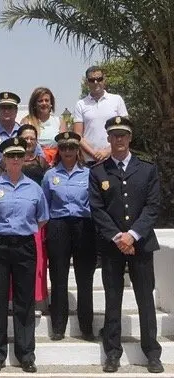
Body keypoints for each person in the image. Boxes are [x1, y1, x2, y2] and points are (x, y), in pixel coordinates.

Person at [88, 116, 163, 373]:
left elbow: (153, 207)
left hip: (141, 245)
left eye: (123, 135)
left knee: (145, 299)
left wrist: (133, 234)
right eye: (114, 135)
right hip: (113, 246)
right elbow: (97, 209)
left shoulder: (147, 168)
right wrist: (119, 237)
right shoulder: (98, 171)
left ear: (130, 138)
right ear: (108, 138)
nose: (118, 139)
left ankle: (152, 352)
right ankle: (112, 352)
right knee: (112, 300)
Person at [0, 137, 49, 373]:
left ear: (25, 159)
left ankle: (26, 354)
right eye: (11, 156)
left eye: (19, 156)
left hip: (25, 246)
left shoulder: (35, 188)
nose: (15, 160)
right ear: (4, 160)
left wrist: (20, 232)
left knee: (24, 301)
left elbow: (42, 218)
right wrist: (0, 233)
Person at [41, 131, 95, 342]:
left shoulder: (89, 174)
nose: (68, 151)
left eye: (72, 147)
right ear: (59, 150)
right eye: (63, 148)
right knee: (59, 277)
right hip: (58, 226)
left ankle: (86, 326)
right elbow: (44, 205)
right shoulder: (49, 175)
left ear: (78, 150)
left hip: (84, 225)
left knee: (84, 278)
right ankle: (58, 326)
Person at [16, 125, 49, 314]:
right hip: (14, 219)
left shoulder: (42, 163)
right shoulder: (8, 162)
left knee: (37, 262)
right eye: (25, 138)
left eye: (32, 138)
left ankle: (36, 301)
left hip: (36, 219)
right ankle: (15, 300)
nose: (28, 141)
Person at [73, 66, 128, 165]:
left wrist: (107, 151)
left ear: (104, 80)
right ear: (87, 82)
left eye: (99, 79)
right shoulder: (80, 104)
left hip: (114, 158)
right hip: (90, 160)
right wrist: (94, 154)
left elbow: (126, 129)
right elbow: (77, 135)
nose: (96, 82)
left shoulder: (117, 100)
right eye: (92, 80)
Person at [20, 87, 67, 165]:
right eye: (40, 101)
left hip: (55, 164)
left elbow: (63, 146)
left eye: (47, 100)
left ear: (51, 103)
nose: (44, 103)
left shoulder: (60, 121)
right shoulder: (26, 121)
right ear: (34, 104)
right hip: (33, 164)